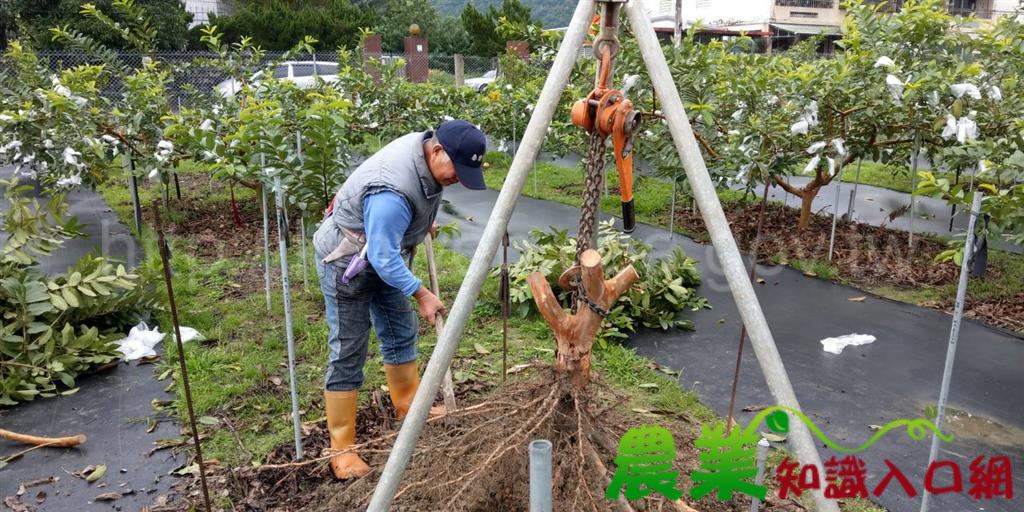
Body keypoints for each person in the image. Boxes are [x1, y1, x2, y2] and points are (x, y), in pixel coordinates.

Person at [312, 119, 487, 479]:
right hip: (347, 262)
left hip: (382, 254)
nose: (459, 178)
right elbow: (383, 255)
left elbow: (397, 226)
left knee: (399, 332)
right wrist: (422, 294)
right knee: (348, 350)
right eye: (458, 169)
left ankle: (408, 405)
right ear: (437, 150)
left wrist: (420, 225)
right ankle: (342, 447)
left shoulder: (426, 156)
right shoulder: (392, 191)